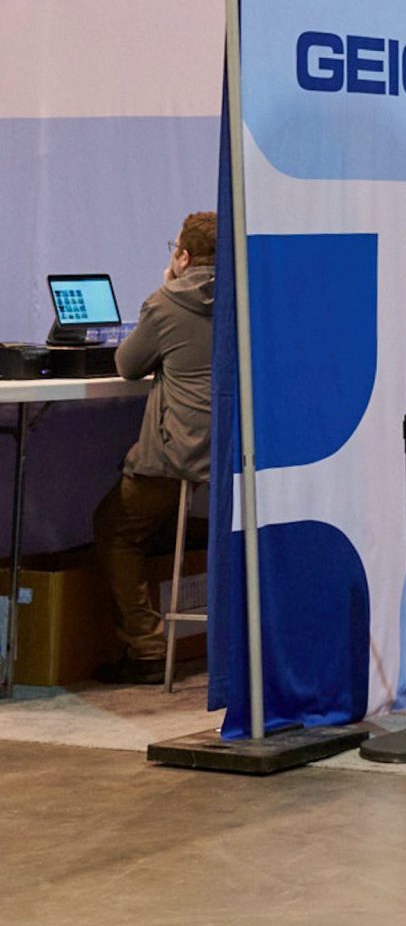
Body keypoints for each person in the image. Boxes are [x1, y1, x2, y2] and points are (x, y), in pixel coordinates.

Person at [89, 211, 218, 683]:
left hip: (179, 457)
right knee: (175, 521)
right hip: (229, 460)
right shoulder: (247, 301)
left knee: (116, 528)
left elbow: (128, 364)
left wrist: (167, 285)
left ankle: (146, 648)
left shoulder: (165, 303)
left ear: (182, 256)